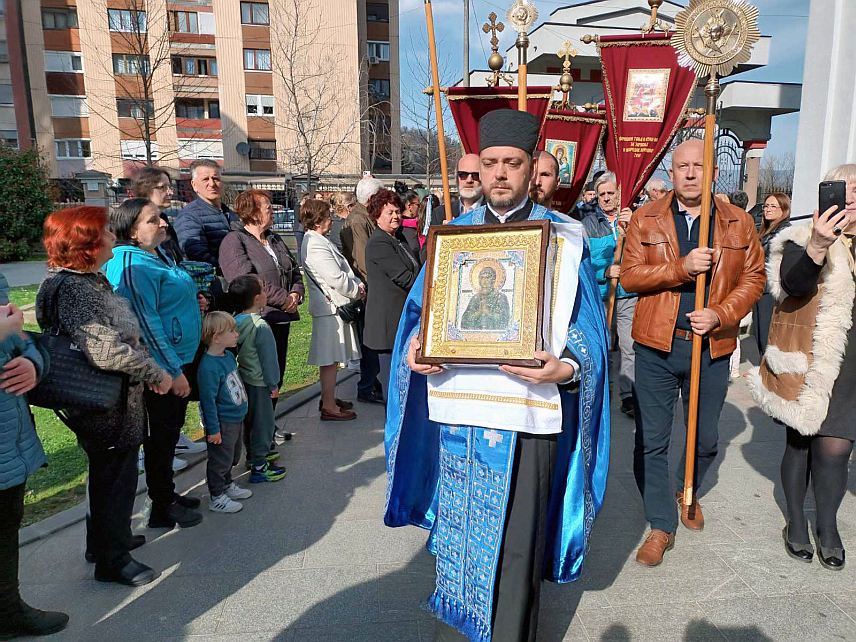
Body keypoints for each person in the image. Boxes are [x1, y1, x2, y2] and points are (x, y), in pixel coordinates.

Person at [385, 109, 610, 642]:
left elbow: (591, 334)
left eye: (513, 163)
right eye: (490, 164)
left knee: (517, 546)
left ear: (533, 167)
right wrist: (415, 352)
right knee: (460, 534)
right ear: (478, 169)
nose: (500, 174)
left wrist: (569, 367)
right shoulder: (452, 239)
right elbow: (419, 319)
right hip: (460, 416)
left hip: (529, 414)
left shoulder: (562, 240)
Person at [620, 139, 765, 566]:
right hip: (656, 348)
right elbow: (629, 277)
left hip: (712, 348)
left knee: (703, 439)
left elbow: (753, 278)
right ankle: (661, 523)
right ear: (671, 171)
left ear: (713, 171)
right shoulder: (646, 219)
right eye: (681, 166)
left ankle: (689, 490)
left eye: (697, 166)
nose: (688, 173)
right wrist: (680, 268)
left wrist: (721, 314)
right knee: (652, 440)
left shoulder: (738, 222)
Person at [37, 207, 173, 587]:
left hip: (113, 398)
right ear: (88, 244)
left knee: (112, 474)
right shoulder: (77, 287)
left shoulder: (88, 280)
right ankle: (112, 560)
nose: (113, 235)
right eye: (105, 233)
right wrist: (153, 371)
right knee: (114, 477)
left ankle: (105, 541)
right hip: (102, 401)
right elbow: (104, 350)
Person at [749, 165, 856, 571]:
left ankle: (827, 526)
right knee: (801, 441)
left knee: (835, 449)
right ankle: (796, 519)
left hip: (851, 366)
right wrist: (818, 246)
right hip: (811, 360)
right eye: (840, 189)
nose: (849, 197)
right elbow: (791, 285)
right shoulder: (797, 236)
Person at [104, 198, 204, 530]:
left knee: (169, 433)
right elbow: (144, 324)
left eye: (160, 217)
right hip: (160, 369)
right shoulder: (131, 264)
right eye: (152, 220)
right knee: (160, 438)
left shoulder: (154, 254)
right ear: (131, 231)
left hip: (178, 358)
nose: (163, 223)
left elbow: (169, 297)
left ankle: (166, 494)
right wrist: (171, 371)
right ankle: (161, 506)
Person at [0, 273, 69, 639]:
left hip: (8, 435)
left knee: (6, 526)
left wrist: (31, 364)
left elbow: (20, 340)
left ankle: (8, 611)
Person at [133, 167, 208, 460]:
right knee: (158, 415)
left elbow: (176, 267)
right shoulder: (135, 253)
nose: (170, 192)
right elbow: (145, 313)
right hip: (161, 349)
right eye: (163, 187)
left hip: (180, 337)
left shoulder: (166, 228)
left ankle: (174, 439)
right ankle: (153, 457)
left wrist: (195, 296)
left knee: (174, 410)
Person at [219, 189, 304, 440]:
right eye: (267, 207)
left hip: (280, 319)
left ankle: (267, 425)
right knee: (257, 380)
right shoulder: (234, 241)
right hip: (256, 321)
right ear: (252, 211)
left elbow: (294, 271)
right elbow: (245, 280)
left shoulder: (275, 239)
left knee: (275, 375)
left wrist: (296, 294)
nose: (272, 211)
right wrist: (284, 299)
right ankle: (253, 434)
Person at [302, 199, 364, 421]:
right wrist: (358, 290)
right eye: (328, 215)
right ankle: (328, 405)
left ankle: (329, 398)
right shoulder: (315, 243)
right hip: (330, 309)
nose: (332, 218)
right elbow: (335, 277)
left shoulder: (318, 239)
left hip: (332, 308)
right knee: (329, 359)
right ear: (317, 220)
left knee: (333, 359)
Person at [581, 172, 637, 416]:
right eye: (602, 194)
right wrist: (604, 270)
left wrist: (634, 225)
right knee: (603, 346)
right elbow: (582, 262)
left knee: (629, 346)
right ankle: (602, 392)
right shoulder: (588, 221)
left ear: (620, 194)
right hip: (601, 296)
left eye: (611, 193)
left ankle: (629, 395)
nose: (606, 198)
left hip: (629, 293)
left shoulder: (635, 219)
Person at [364, 189, 420, 402]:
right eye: (390, 212)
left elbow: (417, 266)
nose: (396, 216)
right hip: (387, 324)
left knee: (403, 381)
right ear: (377, 215)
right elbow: (404, 277)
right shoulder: (379, 242)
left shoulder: (399, 238)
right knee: (392, 384)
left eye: (398, 211)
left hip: (402, 319)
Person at [230, 275, 287, 482]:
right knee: (263, 423)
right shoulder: (261, 326)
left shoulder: (235, 322)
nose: (265, 294)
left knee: (249, 421)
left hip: (244, 379)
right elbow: (269, 360)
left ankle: (252, 455)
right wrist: (273, 383)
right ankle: (261, 466)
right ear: (256, 299)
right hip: (260, 382)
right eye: (263, 291)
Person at [197, 311, 253, 513]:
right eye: (232, 331)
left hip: (237, 418)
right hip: (223, 423)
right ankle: (217, 495)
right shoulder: (208, 367)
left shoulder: (228, 356)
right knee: (220, 459)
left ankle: (227, 484)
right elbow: (208, 402)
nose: (236, 334)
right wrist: (213, 429)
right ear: (217, 338)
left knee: (233, 455)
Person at [341, 177, 384, 405]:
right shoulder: (358, 220)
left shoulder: (362, 217)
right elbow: (362, 258)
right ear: (371, 199)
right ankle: (367, 386)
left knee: (371, 340)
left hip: (366, 286)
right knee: (370, 340)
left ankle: (371, 382)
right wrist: (375, 286)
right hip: (366, 288)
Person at [173, 159, 238, 268]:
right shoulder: (189, 217)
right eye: (205, 179)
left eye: (216, 178)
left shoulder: (232, 214)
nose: (212, 184)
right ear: (194, 185)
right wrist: (230, 269)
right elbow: (197, 256)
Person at [752, 193, 792, 356]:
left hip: (772, 291)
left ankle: (768, 375)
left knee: (768, 337)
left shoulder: (785, 231)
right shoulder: (765, 231)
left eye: (772, 206)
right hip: (760, 287)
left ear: (783, 209)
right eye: (766, 206)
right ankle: (763, 371)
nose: (768, 210)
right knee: (759, 334)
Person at [430, 154, 484, 226]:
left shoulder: (495, 212)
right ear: (456, 178)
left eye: (476, 175)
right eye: (463, 174)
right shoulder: (440, 213)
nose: (469, 180)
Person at [399, 189, 422, 257]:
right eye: (418, 205)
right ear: (409, 206)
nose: (419, 208)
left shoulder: (398, 224)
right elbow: (415, 249)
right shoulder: (408, 227)